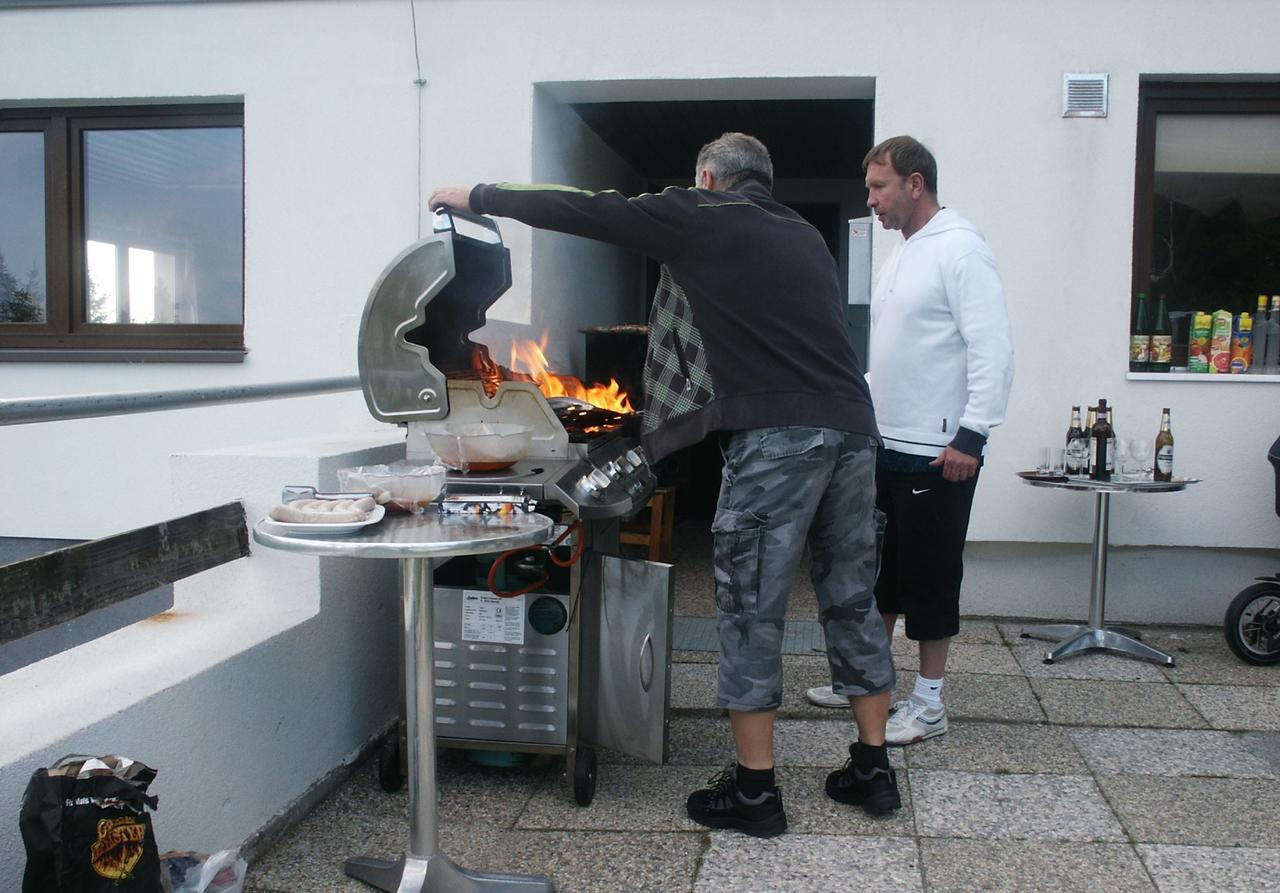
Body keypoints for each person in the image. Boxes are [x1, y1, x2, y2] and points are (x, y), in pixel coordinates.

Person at [430, 132, 899, 838]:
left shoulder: (702, 214)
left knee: (749, 604)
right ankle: (872, 767)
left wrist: (476, 196)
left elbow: (589, 209)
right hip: (856, 430)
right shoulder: (802, 234)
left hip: (779, 438)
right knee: (852, 597)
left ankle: (754, 791)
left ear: (709, 177)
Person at [806, 136, 1014, 745]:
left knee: (929, 578)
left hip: (939, 450)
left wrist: (972, 437)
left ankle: (929, 704)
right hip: (885, 444)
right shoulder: (902, 251)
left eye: (879, 187)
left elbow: (993, 349)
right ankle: (867, 682)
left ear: (915, 183)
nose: (870, 200)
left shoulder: (961, 249)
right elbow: (901, 357)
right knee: (881, 576)